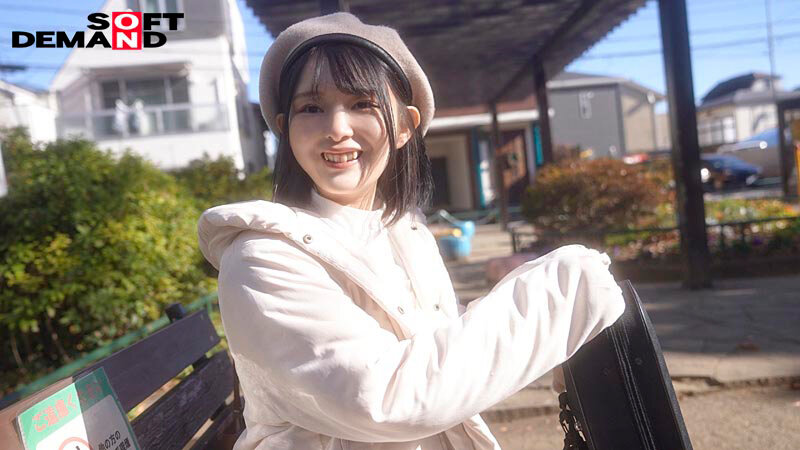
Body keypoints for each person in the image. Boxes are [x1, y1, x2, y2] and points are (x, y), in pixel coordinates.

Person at [197, 12, 625, 450]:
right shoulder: (262, 257)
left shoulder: (405, 232)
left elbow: (436, 344)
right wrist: (565, 288)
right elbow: (384, 399)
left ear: (404, 126)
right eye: (311, 108)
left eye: (362, 104)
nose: (337, 129)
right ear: (285, 129)